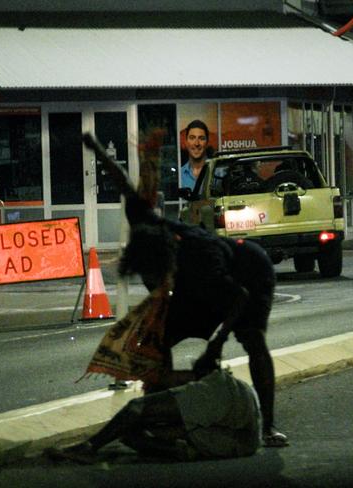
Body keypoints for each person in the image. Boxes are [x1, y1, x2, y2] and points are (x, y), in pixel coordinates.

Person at [83, 133, 288, 448]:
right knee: (159, 339)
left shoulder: (200, 260)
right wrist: (96, 147)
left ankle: (269, 426)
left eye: (156, 275)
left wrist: (215, 345)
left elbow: (239, 298)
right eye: (146, 276)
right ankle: (159, 409)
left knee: (253, 340)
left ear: (167, 261)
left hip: (248, 272)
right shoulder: (145, 225)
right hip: (195, 291)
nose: (152, 283)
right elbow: (123, 183)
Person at [47, 366, 262, 464]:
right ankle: (180, 450)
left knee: (136, 414)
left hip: (231, 437)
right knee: (140, 432)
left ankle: (87, 449)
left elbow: (137, 409)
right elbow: (179, 428)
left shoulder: (203, 392)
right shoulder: (232, 387)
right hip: (243, 440)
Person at [180, 120, 211, 190]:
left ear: (207, 142)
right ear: (186, 141)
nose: (196, 143)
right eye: (192, 138)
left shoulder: (218, 172)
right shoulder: (180, 174)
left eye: (201, 138)